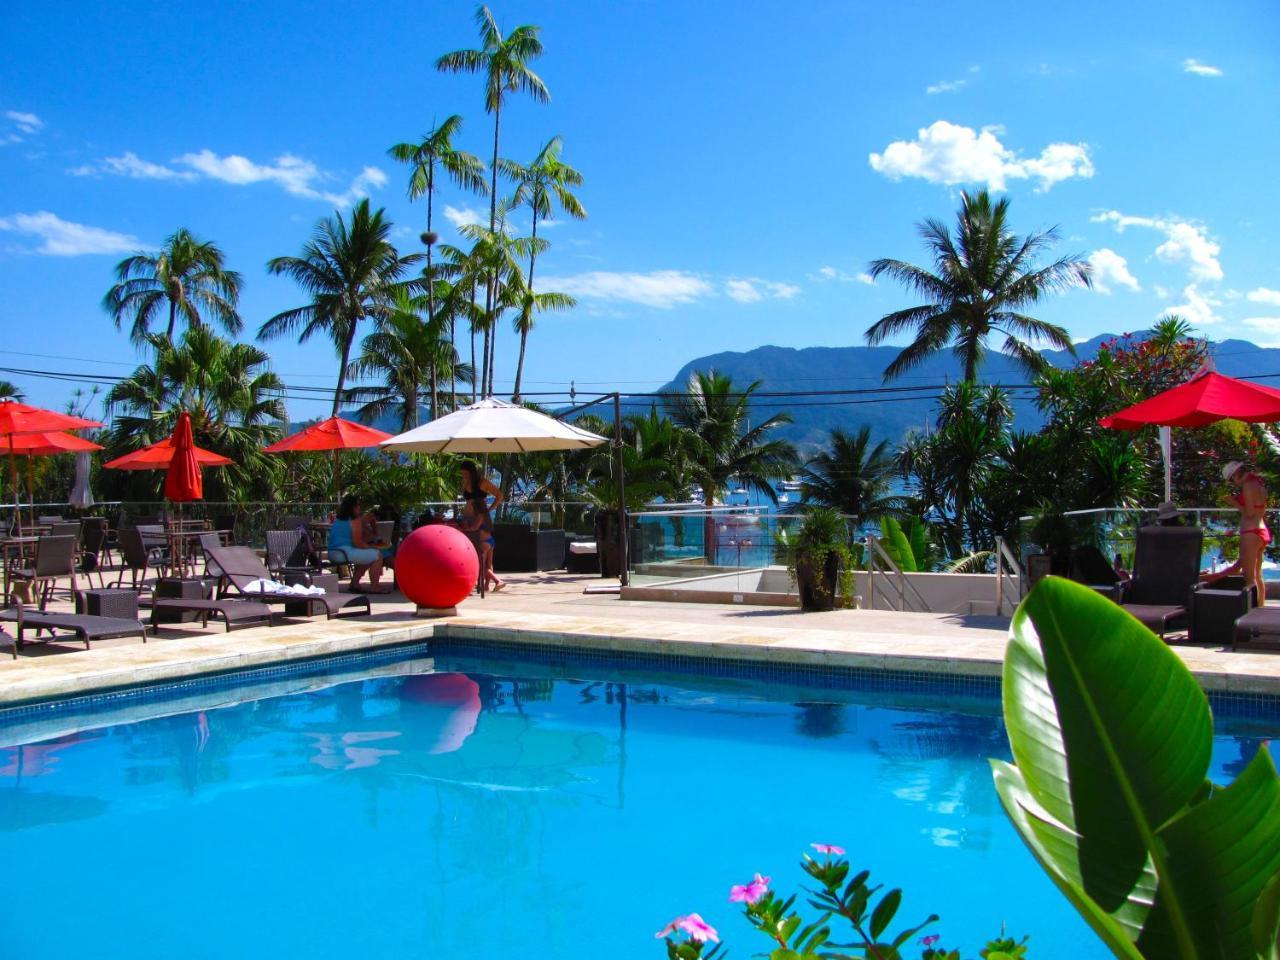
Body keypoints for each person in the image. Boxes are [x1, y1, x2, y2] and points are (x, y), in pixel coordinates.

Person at [328, 494, 393, 593]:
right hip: (343, 552)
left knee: (368, 556)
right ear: (353, 507)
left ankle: (355, 583)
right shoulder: (354, 520)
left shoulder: (339, 519)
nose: (360, 508)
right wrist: (374, 547)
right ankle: (375, 586)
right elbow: (358, 543)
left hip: (334, 552)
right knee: (377, 555)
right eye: (358, 505)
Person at [1224, 460, 1270, 599]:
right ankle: (1260, 610)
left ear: (1236, 473)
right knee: (1257, 574)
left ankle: (1253, 614)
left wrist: (1235, 503)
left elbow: (1249, 513)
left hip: (1251, 532)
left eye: (1231, 480)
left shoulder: (1248, 486)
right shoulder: (1257, 482)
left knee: (1249, 576)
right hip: (1260, 530)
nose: (1233, 483)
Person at [458, 460, 504, 592]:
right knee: (483, 553)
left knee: (480, 553)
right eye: (463, 474)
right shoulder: (465, 482)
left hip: (480, 516)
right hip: (470, 517)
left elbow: (499, 495)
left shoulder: (482, 482)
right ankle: (485, 585)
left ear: (471, 471)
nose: (464, 476)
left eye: (465, 473)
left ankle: (486, 582)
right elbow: (469, 500)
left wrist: (490, 509)